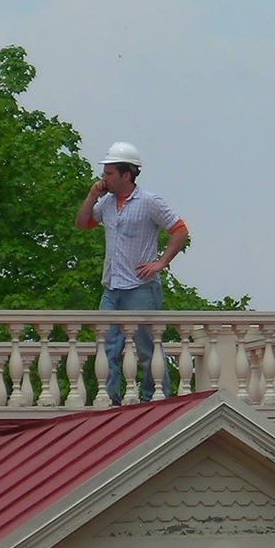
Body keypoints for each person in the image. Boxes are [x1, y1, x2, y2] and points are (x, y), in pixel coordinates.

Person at [74, 141, 189, 405]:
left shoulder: (149, 202)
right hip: (112, 288)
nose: (104, 178)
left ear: (127, 174)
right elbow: (82, 223)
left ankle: (155, 399)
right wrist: (92, 195)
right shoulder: (106, 203)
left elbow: (179, 229)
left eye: (109, 173)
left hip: (140, 288)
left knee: (147, 347)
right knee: (107, 347)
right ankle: (110, 399)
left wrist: (160, 262)